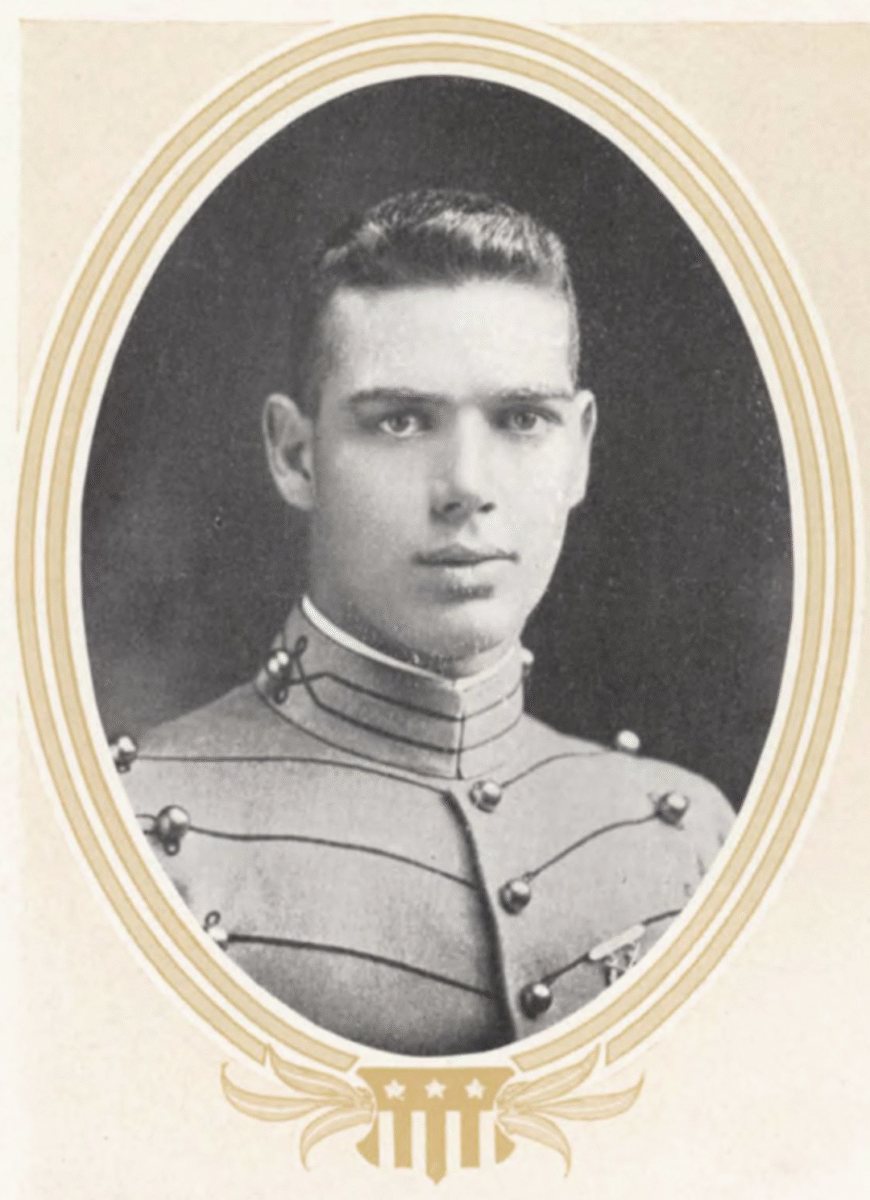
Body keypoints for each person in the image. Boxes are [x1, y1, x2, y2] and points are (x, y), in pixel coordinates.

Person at [115, 190, 734, 1056]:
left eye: (523, 420)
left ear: (581, 450)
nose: (465, 486)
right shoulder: (133, 841)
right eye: (401, 421)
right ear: (296, 456)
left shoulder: (690, 839)